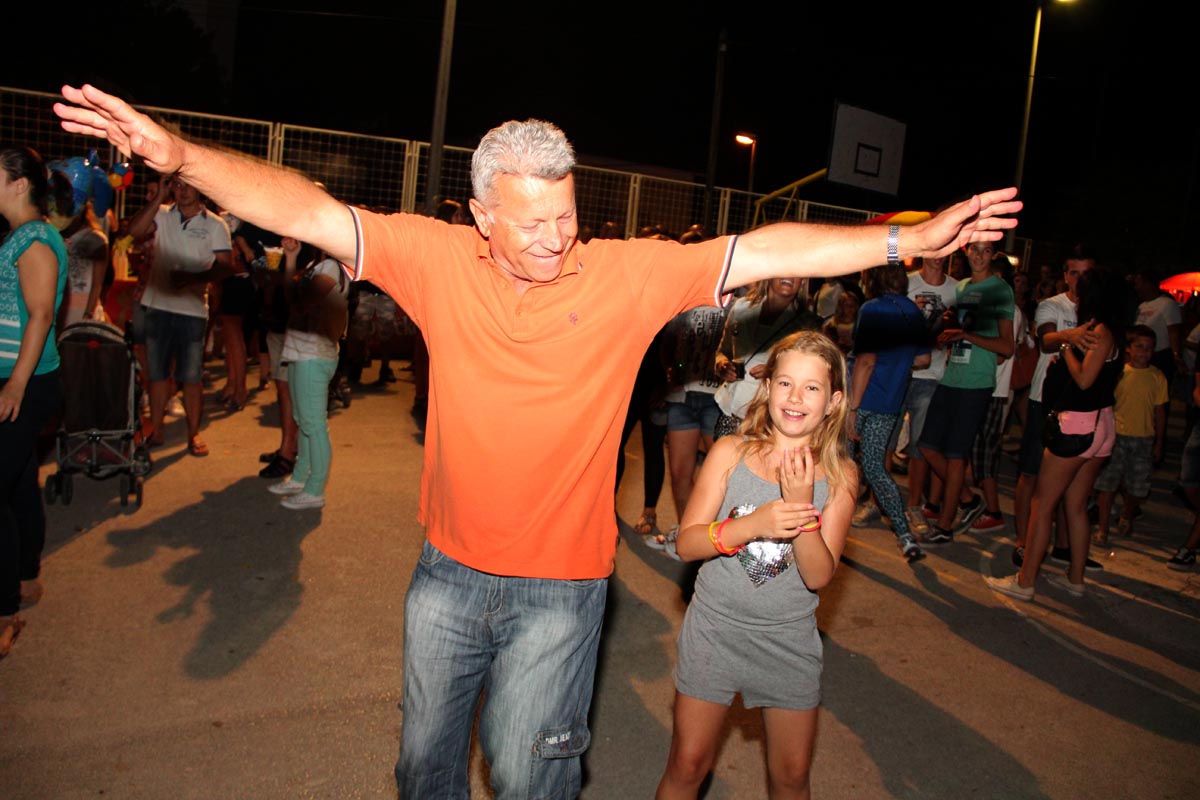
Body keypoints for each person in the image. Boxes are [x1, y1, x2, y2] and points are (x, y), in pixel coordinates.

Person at [54, 83, 1021, 797]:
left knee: (527, 781)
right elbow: (301, 207)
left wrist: (906, 239)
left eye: (566, 215)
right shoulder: (436, 261)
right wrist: (178, 153)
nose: (558, 241)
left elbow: (763, 248)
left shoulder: (621, 275)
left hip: (562, 591)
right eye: (532, 226)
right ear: (480, 218)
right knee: (422, 769)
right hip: (444, 576)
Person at [654, 331, 855, 798]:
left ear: (833, 400)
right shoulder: (731, 453)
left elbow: (818, 575)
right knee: (687, 763)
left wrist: (802, 507)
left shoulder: (841, 478)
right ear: (767, 389)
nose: (796, 398)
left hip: (787, 639)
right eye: (785, 383)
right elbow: (687, 544)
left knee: (791, 776)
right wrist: (753, 523)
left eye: (812, 387)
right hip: (715, 630)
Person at [987, 267, 1128, 600]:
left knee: (1042, 503)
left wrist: (1065, 350)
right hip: (1101, 423)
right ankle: (1075, 579)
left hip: (1078, 424)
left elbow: (1083, 380)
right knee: (1076, 505)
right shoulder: (1116, 331)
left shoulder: (1102, 331)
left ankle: (1025, 581)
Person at [0, 146, 69, 658]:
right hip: (15, 379)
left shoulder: (35, 240)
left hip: (20, 382)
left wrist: (15, 386)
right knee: (20, 482)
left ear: (19, 183)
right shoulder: (19, 236)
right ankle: (24, 577)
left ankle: (5, 612)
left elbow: (42, 315)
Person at [124, 173, 232, 456]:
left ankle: (193, 433)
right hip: (157, 305)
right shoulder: (161, 214)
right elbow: (134, 232)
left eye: (189, 185)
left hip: (193, 310)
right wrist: (159, 195)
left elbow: (224, 266)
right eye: (178, 185)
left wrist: (193, 278)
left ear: (201, 188)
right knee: (157, 374)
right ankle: (157, 430)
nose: (183, 191)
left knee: (191, 376)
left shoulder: (216, 225)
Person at [1011, 249, 1101, 568]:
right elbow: (1046, 339)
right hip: (1043, 400)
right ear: (1064, 276)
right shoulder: (1053, 304)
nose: (1079, 279)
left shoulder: (1098, 310)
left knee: (1072, 486)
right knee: (1031, 474)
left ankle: (1065, 546)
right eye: (1073, 273)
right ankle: (1023, 540)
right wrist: (1071, 336)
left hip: (1080, 407)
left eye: (1085, 273)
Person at [846, 264, 930, 561]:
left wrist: (852, 408)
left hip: (862, 396)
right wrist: (897, 362)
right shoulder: (914, 312)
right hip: (890, 402)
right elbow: (923, 358)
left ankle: (824, 524)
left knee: (838, 460)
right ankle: (905, 536)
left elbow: (866, 360)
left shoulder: (873, 309)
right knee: (875, 468)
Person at [267, 237, 349, 510]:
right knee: (304, 420)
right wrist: (291, 259)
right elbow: (292, 298)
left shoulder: (332, 268)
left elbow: (300, 302)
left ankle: (315, 489)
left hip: (315, 353)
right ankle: (301, 478)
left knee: (314, 424)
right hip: (303, 351)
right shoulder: (319, 264)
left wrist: (291, 275)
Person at [713, 276, 816, 439]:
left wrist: (775, 371)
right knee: (721, 463)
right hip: (729, 412)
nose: (789, 276)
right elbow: (722, 351)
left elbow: (813, 378)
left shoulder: (807, 324)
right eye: (784, 269)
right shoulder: (741, 308)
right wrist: (721, 365)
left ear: (803, 281)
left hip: (766, 423)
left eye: (796, 272)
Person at [1093, 325, 1168, 544]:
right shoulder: (1120, 374)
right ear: (1128, 349)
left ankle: (1127, 512)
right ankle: (1103, 528)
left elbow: (1160, 412)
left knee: (1136, 486)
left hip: (1143, 439)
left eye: (1149, 348)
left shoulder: (1157, 377)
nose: (1144, 352)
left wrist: (1159, 443)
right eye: (1139, 347)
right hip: (1117, 437)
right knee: (1107, 484)